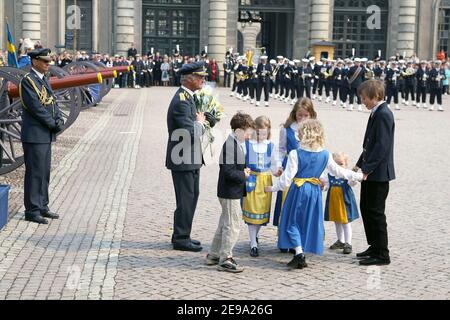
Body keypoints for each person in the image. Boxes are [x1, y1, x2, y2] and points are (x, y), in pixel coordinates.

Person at [265, 120, 363, 269]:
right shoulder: (325, 154)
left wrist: (272, 188)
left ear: (306, 134)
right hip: (314, 192)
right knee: (307, 221)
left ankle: (299, 254)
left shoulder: (295, 153)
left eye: (300, 131)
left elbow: (286, 180)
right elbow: (340, 172)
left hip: (298, 190)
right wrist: (359, 176)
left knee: (291, 221)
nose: (297, 133)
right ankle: (300, 252)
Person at [166, 61, 210, 252]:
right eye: (200, 77)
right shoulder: (182, 100)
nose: (203, 80)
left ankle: (184, 233)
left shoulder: (188, 97)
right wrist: (200, 122)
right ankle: (181, 238)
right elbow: (188, 132)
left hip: (188, 157)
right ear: (189, 79)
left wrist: (208, 118)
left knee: (191, 196)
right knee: (186, 198)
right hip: (182, 157)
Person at [19, 48, 65, 224]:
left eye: (49, 62)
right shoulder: (28, 81)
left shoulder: (43, 79)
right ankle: (32, 210)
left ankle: (43, 205)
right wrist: (52, 124)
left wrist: (59, 118)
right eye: (45, 61)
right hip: (35, 134)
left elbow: (52, 102)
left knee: (44, 172)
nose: (48, 64)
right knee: (35, 173)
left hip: (44, 134)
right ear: (34, 61)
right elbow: (35, 107)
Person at [206, 112, 255, 273]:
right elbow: (228, 171)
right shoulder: (230, 145)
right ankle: (225, 258)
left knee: (224, 224)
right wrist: (244, 175)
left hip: (230, 191)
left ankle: (214, 254)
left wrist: (243, 170)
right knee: (232, 225)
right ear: (239, 130)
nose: (250, 134)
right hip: (229, 192)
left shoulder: (236, 143)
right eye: (248, 130)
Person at [355, 79, 395, 266]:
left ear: (375, 96)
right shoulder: (376, 112)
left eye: (364, 98)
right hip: (370, 171)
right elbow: (369, 144)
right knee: (366, 209)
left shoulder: (384, 114)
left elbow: (381, 147)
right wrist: (358, 164)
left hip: (378, 174)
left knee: (376, 213)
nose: (362, 101)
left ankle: (382, 253)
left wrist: (367, 169)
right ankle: (374, 246)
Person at [273, 98, 317, 233]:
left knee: (302, 204)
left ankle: (300, 235)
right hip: (289, 170)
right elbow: (281, 149)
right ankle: (284, 235)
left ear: (311, 115)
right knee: (287, 202)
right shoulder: (287, 129)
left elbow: (318, 151)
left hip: (306, 171)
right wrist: (279, 165)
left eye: (306, 115)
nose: (302, 118)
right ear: (294, 113)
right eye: (300, 115)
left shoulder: (314, 130)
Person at [242, 116, 278, 257]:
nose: (261, 136)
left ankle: (254, 237)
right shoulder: (247, 144)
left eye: (264, 133)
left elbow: (275, 165)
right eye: (258, 133)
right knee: (252, 210)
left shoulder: (270, 146)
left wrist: (277, 171)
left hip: (265, 181)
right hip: (251, 179)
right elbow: (241, 161)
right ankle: (253, 244)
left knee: (260, 213)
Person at [322, 152, 360, 255]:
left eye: (341, 164)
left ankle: (348, 243)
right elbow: (326, 185)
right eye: (336, 164)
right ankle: (340, 240)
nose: (338, 166)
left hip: (344, 201)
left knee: (345, 222)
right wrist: (323, 187)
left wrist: (354, 178)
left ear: (346, 164)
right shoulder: (329, 175)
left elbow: (352, 183)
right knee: (336, 221)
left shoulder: (347, 174)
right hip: (333, 201)